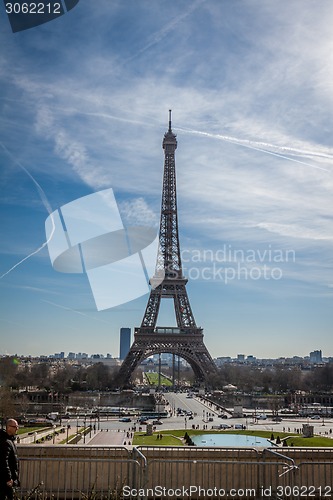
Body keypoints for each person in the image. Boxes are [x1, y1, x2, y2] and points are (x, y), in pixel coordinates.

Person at [0, 419, 20, 500]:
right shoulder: (6, 442)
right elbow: (3, 461)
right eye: (15, 427)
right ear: (8, 427)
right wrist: (8, 478)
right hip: (6, 481)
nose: (17, 429)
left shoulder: (8, 440)